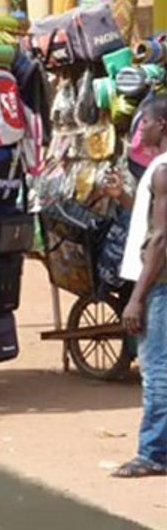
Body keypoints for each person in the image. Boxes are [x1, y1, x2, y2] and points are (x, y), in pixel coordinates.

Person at [103, 94, 167, 478]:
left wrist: (137, 298)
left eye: (146, 122)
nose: (140, 129)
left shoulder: (162, 170)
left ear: (163, 125)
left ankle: (154, 453)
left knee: (157, 370)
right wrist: (125, 199)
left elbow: (160, 239)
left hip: (159, 284)